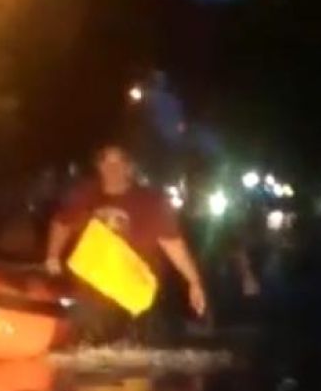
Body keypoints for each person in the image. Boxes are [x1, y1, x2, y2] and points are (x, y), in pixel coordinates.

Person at [45, 145, 207, 344]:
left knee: (137, 352)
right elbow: (61, 224)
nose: (112, 169)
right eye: (106, 162)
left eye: (118, 163)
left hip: (133, 293)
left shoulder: (150, 201)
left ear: (129, 168)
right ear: (98, 167)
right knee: (85, 346)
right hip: (91, 295)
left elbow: (173, 243)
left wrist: (194, 282)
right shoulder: (84, 195)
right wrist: (52, 256)